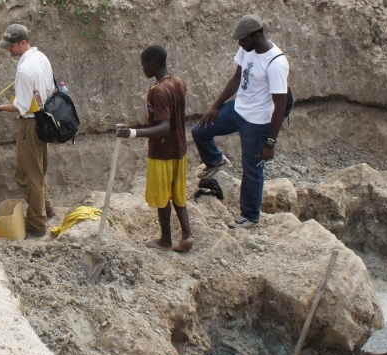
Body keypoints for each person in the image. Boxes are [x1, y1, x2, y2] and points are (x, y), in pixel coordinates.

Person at [191, 14, 289, 229]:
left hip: (258, 122)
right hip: (238, 109)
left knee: (252, 169)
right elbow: (237, 78)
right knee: (199, 130)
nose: (239, 44)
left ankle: (251, 216)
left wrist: (270, 143)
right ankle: (215, 160)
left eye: (242, 40)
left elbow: (279, 106)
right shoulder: (248, 49)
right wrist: (216, 106)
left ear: (256, 36)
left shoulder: (276, 63)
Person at [116, 46, 194, 253]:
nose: (142, 70)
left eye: (143, 65)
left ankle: (166, 240)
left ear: (152, 64)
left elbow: (164, 127)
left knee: (162, 197)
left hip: (162, 152)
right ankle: (187, 234)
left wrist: (133, 133)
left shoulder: (158, 91)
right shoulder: (178, 82)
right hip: (180, 149)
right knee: (178, 195)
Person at [0, 24, 54, 237]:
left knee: (27, 177)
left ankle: (37, 225)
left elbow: (21, 106)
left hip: (29, 126)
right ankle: (46, 211)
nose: (8, 50)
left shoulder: (24, 69)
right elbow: (48, 90)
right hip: (43, 121)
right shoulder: (41, 58)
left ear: (22, 42)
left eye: (11, 46)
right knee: (38, 172)